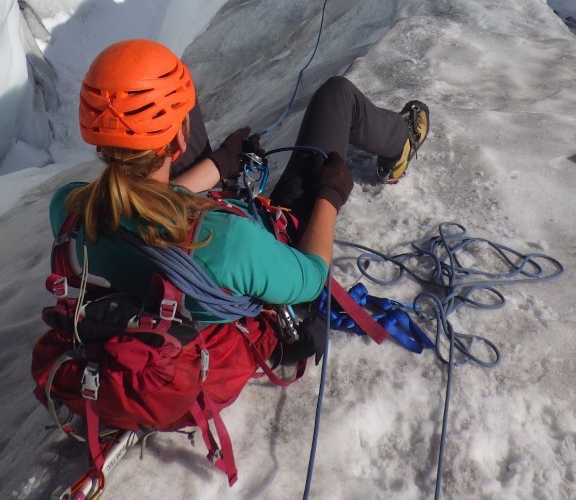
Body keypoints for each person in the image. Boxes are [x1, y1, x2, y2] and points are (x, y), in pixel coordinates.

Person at [44, 40, 429, 438]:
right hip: (252, 256)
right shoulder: (227, 242)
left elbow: (144, 205)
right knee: (337, 96)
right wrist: (330, 196)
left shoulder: (70, 209)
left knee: (175, 96)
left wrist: (217, 167)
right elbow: (312, 277)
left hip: (182, 267)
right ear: (177, 144)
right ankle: (400, 142)